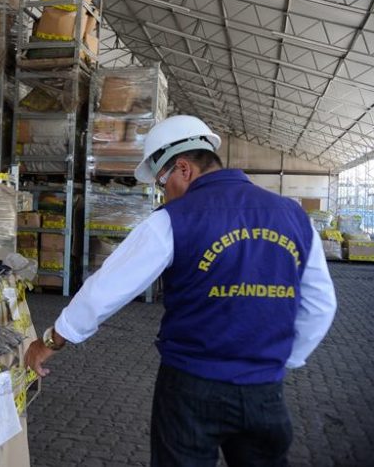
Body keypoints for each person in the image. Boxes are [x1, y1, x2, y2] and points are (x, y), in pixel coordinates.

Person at [24, 115, 337, 467]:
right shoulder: (293, 216)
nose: (163, 192)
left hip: (191, 389)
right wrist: (280, 360)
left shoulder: (173, 219)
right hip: (265, 394)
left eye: (162, 181)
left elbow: (104, 291)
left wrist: (48, 342)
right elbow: (321, 306)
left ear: (183, 169)